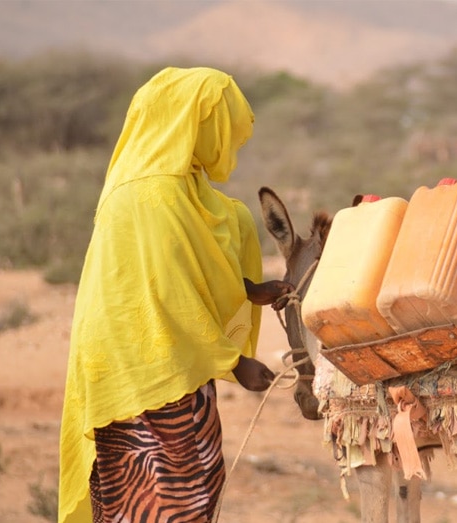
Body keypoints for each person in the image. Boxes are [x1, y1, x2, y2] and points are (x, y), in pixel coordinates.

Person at [58, 66, 293, 523]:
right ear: (195, 122)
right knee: (169, 496)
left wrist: (249, 291)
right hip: (146, 371)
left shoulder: (176, 187)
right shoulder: (155, 195)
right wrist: (233, 361)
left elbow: (185, 268)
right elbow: (167, 294)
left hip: (158, 361)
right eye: (223, 131)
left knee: (176, 491)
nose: (230, 148)